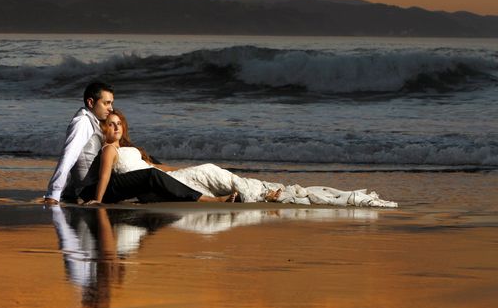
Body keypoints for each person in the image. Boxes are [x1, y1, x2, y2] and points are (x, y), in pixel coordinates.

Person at [88, 110, 398, 207]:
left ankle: (264, 192)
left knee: (209, 172)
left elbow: (156, 168)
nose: (115, 127)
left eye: (118, 123)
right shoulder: (109, 150)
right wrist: (97, 201)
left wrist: (179, 170)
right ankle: (256, 194)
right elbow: (105, 177)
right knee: (212, 172)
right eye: (109, 124)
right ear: (103, 129)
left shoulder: (133, 149)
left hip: (167, 179)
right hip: (154, 188)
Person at [44, 82, 217, 205]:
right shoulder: (82, 123)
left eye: (111, 103)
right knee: (149, 174)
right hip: (93, 190)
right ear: (91, 102)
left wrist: (68, 193)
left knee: (146, 160)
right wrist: (54, 194)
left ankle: (189, 182)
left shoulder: (93, 121)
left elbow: (80, 161)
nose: (111, 108)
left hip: (95, 185)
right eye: (106, 103)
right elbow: (69, 156)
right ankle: (206, 199)